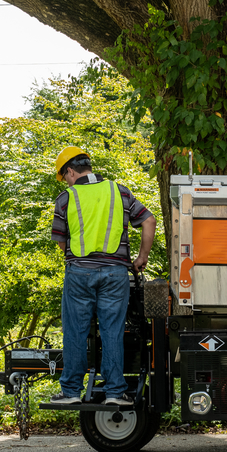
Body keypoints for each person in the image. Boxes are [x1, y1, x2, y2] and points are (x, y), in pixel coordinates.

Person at [50, 146, 157, 405]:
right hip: (116, 274)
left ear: (71, 171)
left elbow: (61, 242)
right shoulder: (119, 191)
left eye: (65, 176)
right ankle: (114, 392)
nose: (66, 181)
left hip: (79, 274)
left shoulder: (66, 198)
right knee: (112, 332)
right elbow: (149, 221)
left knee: (75, 331)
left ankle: (72, 392)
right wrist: (141, 257)